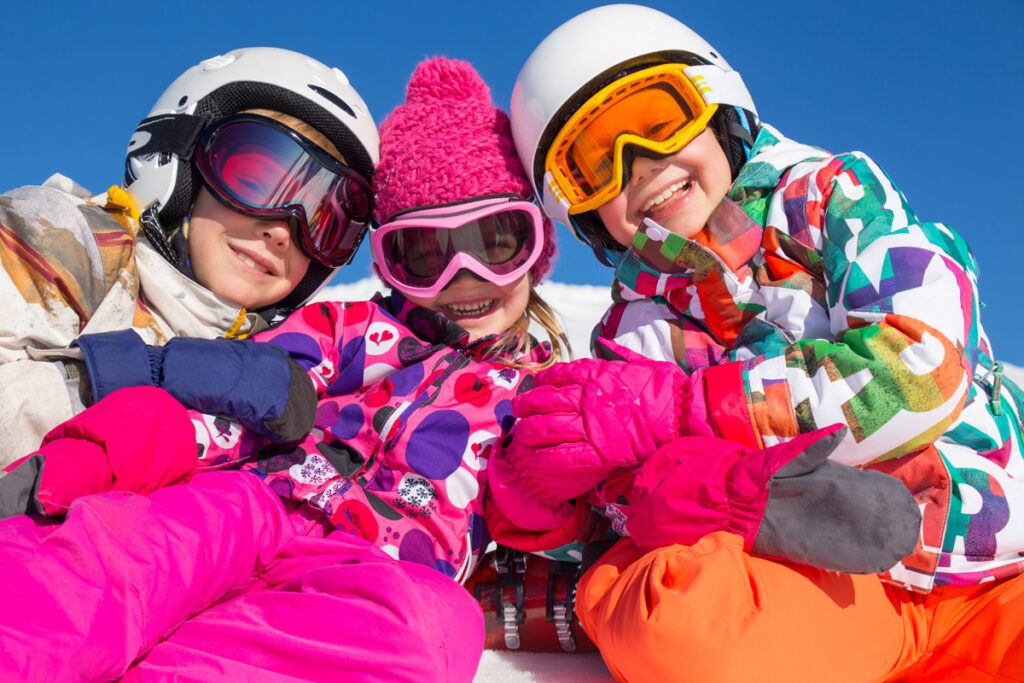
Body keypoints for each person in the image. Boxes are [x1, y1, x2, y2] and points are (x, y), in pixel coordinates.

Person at [488, 4, 1024, 681]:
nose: (641, 166)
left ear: (718, 106)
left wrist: (694, 412)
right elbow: (637, 498)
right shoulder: (636, 332)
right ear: (579, 207)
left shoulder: (835, 201)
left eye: (659, 121)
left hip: (985, 568)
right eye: (595, 165)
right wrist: (563, 487)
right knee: (682, 626)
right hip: (826, 587)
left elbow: (921, 366)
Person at [0, 56, 565, 682]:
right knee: (138, 554)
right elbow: (247, 392)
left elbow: (542, 510)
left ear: (538, 249)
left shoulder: (545, 400)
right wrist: (140, 428)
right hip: (255, 496)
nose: (463, 276)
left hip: (373, 565)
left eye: (496, 243)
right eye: (424, 254)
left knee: (432, 628)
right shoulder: (354, 328)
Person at [0, 46, 378, 465]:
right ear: (181, 164)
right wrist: (142, 377)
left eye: (325, 221)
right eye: (256, 180)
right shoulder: (61, 240)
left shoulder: (281, 381)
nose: (281, 231)